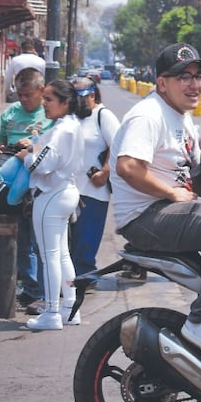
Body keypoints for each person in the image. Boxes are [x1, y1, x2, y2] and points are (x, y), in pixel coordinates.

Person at [110, 43, 201, 361]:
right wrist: (171, 192)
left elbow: (200, 175)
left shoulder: (182, 117)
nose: (195, 85)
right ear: (162, 83)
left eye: (199, 76)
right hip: (146, 216)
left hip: (167, 211)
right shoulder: (148, 115)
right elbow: (128, 167)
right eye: (183, 77)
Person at [14, 79, 88, 330]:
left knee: (50, 256)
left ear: (65, 103)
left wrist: (26, 156)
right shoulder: (71, 125)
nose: (44, 104)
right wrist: (34, 143)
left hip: (52, 194)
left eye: (49, 99)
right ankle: (69, 308)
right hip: (66, 191)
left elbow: (41, 164)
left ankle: (52, 312)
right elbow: (47, 154)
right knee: (61, 254)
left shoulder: (62, 130)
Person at [0, 67, 48, 313]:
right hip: (10, 181)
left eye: (28, 95)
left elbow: (56, 144)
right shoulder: (10, 113)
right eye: (20, 94)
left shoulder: (49, 113)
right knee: (15, 237)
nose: (23, 99)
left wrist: (34, 143)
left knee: (36, 238)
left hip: (37, 184)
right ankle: (24, 285)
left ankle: (38, 290)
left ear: (41, 91)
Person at [70, 78, 120, 284]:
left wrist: (105, 172)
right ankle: (70, 278)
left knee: (86, 240)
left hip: (94, 190)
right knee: (69, 240)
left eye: (81, 97)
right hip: (69, 188)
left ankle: (85, 278)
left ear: (93, 95)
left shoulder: (103, 116)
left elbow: (118, 146)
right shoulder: (70, 116)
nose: (77, 102)